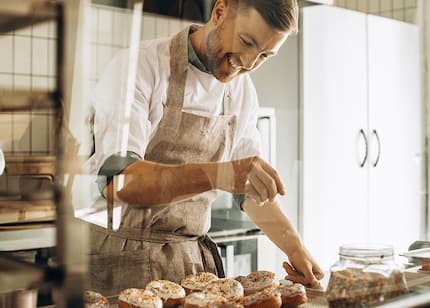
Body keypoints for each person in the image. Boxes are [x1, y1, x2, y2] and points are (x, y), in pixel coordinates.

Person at [88, 0, 323, 296]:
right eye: (246, 42)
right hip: (120, 263)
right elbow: (118, 182)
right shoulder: (140, 66)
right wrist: (218, 175)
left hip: (192, 269)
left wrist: (296, 248)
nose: (248, 63)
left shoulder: (241, 91)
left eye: (264, 55)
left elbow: (248, 190)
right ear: (220, 11)